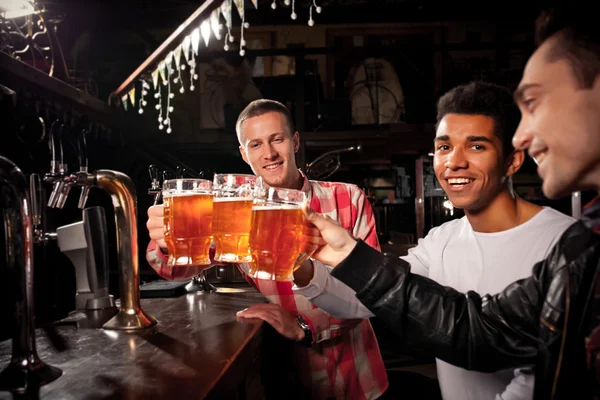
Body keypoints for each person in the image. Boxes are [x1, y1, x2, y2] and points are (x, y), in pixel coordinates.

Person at [291, 6, 600, 400]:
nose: (454, 161)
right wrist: (315, 260)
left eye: (476, 145)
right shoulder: (443, 240)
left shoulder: (568, 244)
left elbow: (537, 377)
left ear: (511, 160)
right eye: (443, 147)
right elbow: (469, 328)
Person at [145, 99, 388, 399]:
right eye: (256, 145)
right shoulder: (238, 209)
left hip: (356, 378)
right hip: (286, 381)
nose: (269, 153)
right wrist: (169, 241)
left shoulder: (348, 199)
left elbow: (375, 293)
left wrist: (305, 325)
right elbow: (174, 269)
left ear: (295, 141)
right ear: (244, 154)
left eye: (277, 139)